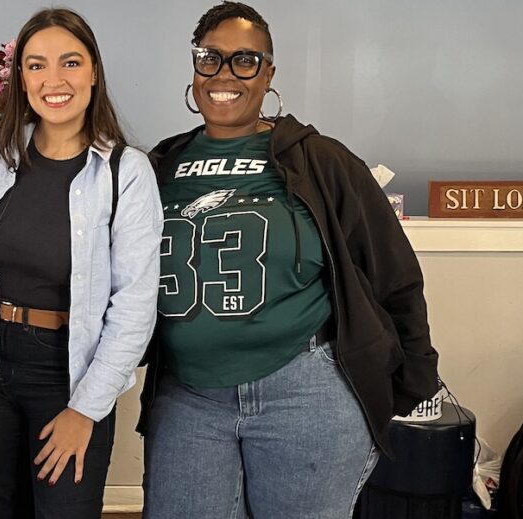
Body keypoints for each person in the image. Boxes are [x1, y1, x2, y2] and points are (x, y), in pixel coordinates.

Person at [139, 2, 441, 518]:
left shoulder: (319, 159)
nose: (224, 74)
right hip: (188, 395)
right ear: (194, 68)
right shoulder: (157, 166)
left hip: (304, 393)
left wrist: (414, 377)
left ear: (269, 72)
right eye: (210, 58)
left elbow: (393, 273)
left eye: (245, 60)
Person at [0, 8, 162, 519]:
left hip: (69, 372)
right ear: (20, 77)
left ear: (94, 70)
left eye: (70, 62)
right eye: (36, 65)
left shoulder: (126, 172)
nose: (54, 80)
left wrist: (86, 409)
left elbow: (135, 307)